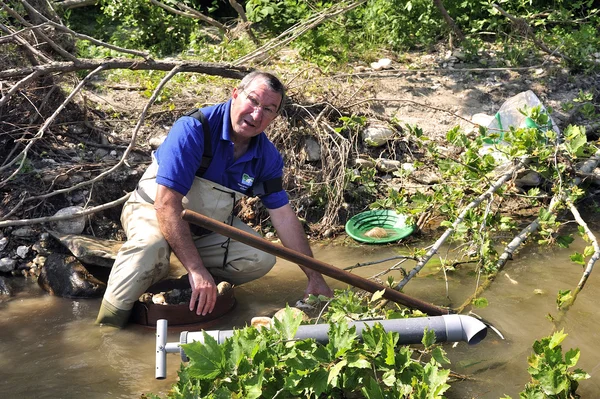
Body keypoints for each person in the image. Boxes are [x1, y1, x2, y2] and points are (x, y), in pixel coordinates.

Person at [96, 71, 333, 327]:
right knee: (149, 249)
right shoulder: (194, 129)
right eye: (252, 101)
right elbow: (166, 204)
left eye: (268, 109)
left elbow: (284, 216)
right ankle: (109, 326)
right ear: (235, 94)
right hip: (152, 211)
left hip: (206, 227)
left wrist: (314, 276)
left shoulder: (267, 157)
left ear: (275, 117)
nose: (256, 115)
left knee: (260, 258)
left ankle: (183, 290)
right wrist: (197, 269)